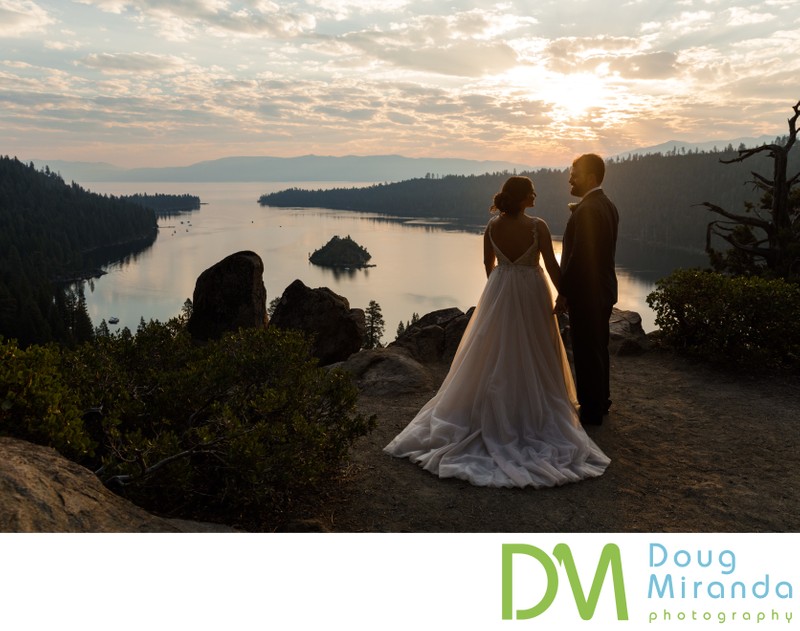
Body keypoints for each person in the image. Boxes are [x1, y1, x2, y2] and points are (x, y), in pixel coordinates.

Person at [383, 176, 609, 488]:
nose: (535, 195)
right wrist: (562, 294)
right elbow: (552, 266)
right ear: (522, 198)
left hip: (500, 291)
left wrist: (501, 286)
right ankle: (529, 411)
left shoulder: (491, 227)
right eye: (531, 192)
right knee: (534, 349)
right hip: (532, 292)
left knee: (495, 350)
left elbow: (488, 265)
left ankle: (493, 410)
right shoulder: (538, 226)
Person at [554, 154, 619, 426]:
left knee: (585, 351)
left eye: (575, 173)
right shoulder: (607, 205)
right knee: (598, 348)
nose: (570, 178)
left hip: (588, 292)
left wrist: (564, 292)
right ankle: (600, 402)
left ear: (591, 178)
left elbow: (580, 256)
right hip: (603, 290)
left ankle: (591, 412)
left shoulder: (589, 210)